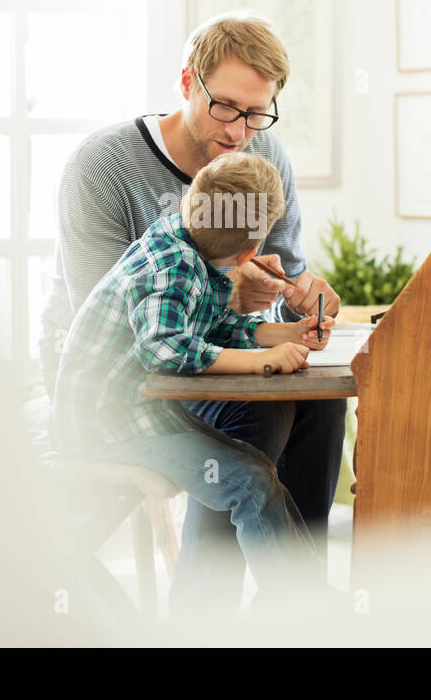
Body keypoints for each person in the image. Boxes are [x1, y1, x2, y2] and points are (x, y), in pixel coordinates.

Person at [41, 10, 345, 615]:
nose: (240, 131)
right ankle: (206, 617)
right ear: (187, 82)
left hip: (196, 343)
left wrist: (301, 300)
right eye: (227, 107)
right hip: (115, 376)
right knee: (259, 422)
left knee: (320, 398)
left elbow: (281, 267)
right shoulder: (103, 166)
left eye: (258, 113)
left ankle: (288, 603)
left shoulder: (261, 160)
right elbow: (123, 323)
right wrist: (241, 309)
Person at [52, 154, 336, 605]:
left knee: (255, 472)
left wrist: (289, 334)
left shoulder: (188, 242)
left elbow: (213, 329)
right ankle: (307, 611)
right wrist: (264, 362)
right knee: (249, 481)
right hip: (107, 424)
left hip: (140, 413)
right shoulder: (173, 268)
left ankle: (309, 598)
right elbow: (166, 348)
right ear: (248, 254)